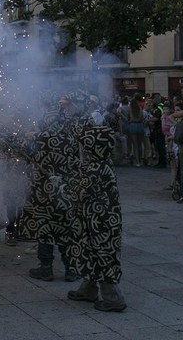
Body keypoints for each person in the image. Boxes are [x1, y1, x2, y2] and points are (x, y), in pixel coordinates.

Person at [64, 121, 126, 312]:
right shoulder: (102, 163)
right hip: (95, 220)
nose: (82, 150)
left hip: (100, 224)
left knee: (102, 255)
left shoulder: (95, 169)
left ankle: (113, 297)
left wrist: (59, 186)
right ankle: (88, 289)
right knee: (90, 252)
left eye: (85, 146)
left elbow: (77, 194)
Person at [19, 130, 80, 283]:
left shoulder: (39, 144)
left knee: (45, 231)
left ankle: (46, 268)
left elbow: (21, 149)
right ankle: (70, 269)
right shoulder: (70, 142)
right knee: (65, 231)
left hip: (43, 197)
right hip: (65, 196)